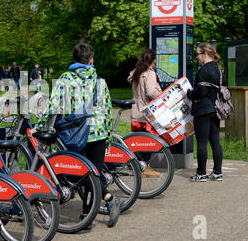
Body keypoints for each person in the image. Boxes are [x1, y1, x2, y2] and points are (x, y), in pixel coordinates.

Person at [32, 41, 123, 228]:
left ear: (75, 60)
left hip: (75, 133)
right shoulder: (100, 81)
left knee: (81, 174)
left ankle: (99, 205)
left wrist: (39, 126)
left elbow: (52, 106)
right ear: (91, 60)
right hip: (97, 133)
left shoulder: (65, 79)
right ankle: (89, 213)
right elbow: (107, 111)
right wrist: (106, 134)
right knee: (93, 173)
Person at [186, 43, 223, 182]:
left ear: (205, 54)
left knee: (202, 142)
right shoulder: (218, 69)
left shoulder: (203, 70)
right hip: (215, 109)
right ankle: (217, 172)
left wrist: (189, 94)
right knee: (215, 142)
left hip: (203, 109)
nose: (196, 57)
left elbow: (201, 91)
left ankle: (201, 173)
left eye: (197, 54)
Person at [127, 49, 163, 177]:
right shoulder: (149, 74)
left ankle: (138, 166)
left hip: (137, 113)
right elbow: (151, 92)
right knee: (148, 142)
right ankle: (145, 167)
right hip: (147, 114)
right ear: (153, 60)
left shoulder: (137, 72)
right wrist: (162, 96)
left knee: (138, 142)